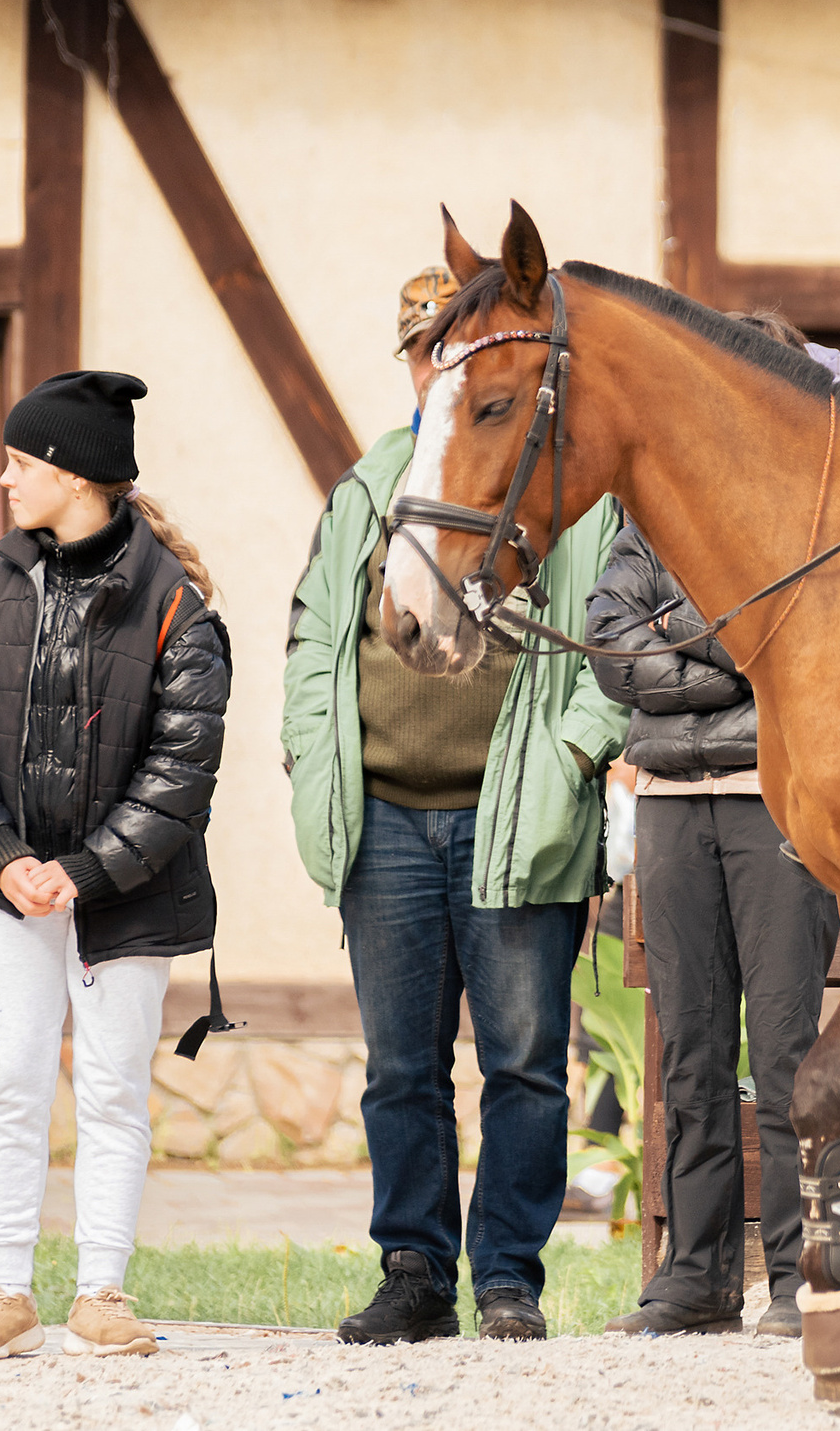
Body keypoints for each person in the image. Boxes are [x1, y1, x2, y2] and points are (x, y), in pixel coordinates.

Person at [284, 266, 627, 1345]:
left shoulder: (558, 479)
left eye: (456, 350)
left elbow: (611, 641)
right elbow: (312, 640)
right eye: (424, 350)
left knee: (525, 1061)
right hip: (384, 814)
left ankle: (510, 1277)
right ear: (411, 364)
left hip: (513, 813)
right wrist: (309, 757)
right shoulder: (365, 486)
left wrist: (575, 752)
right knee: (401, 1066)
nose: (439, 366)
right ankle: (415, 1269)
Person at [0, 370, 230, 1360]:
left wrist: (90, 870)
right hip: (13, 889)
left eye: (20, 462)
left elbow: (183, 767)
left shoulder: (178, 608)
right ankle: (4, 1289)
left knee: (110, 1089)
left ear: (70, 472)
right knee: (11, 1079)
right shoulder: (2, 585)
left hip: (127, 898)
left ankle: (101, 1289)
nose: (5, 480)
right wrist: (3, 854)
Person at [586, 309, 840, 1339]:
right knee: (689, 1050)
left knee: (784, 1050)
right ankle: (694, 1272)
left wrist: (680, 640)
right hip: (671, 811)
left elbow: (795, 639)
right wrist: (724, 641)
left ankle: (799, 1274)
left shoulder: (809, 507)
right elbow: (607, 644)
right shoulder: (650, 512)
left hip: (777, 805)